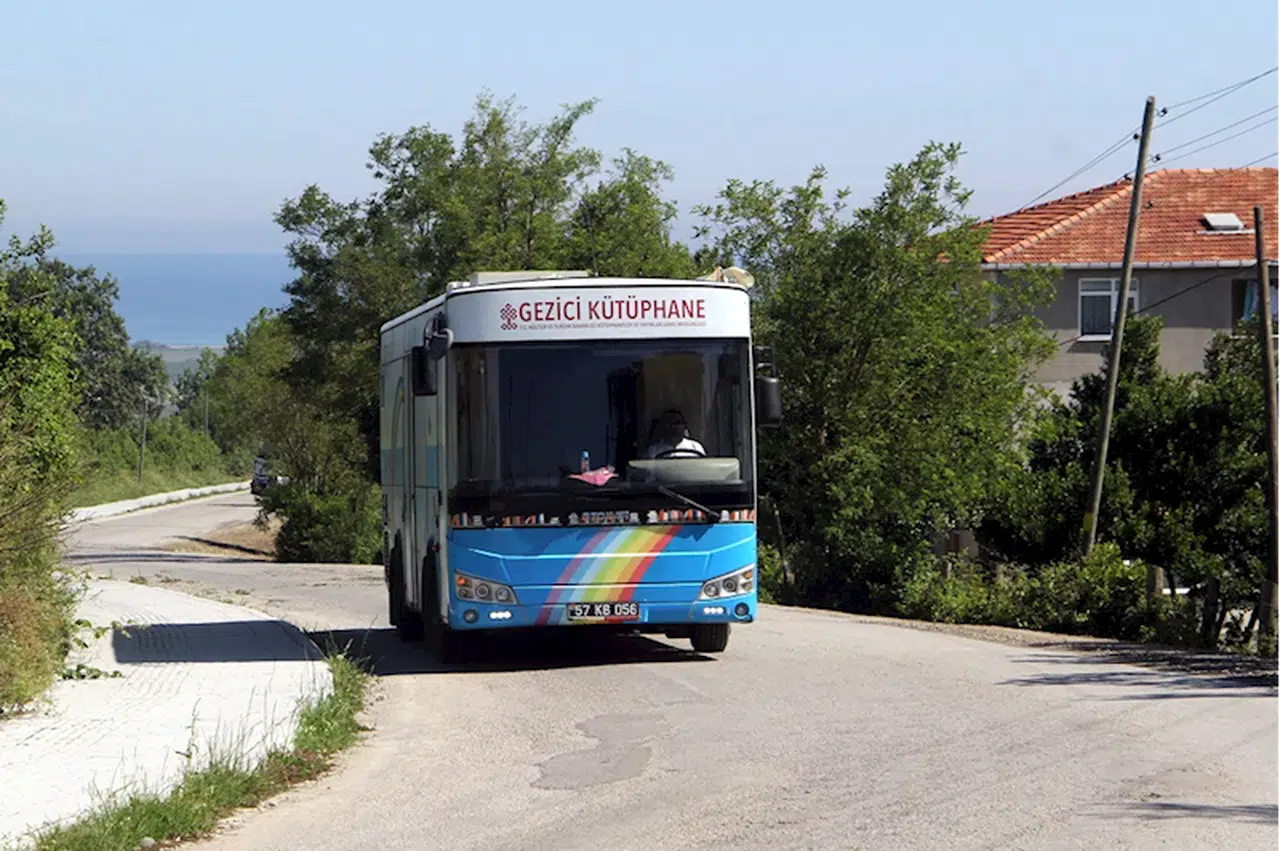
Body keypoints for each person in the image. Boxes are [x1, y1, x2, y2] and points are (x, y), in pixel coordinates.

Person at [641, 409, 706, 459]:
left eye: (677, 423)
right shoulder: (653, 451)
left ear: (684, 425)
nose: (673, 427)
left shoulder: (695, 447)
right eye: (669, 423)